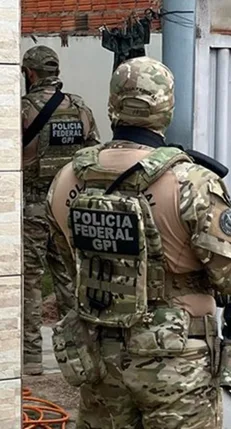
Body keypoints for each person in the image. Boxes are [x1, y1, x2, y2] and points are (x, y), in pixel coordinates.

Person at [46, 56, 231, 428]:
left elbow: (69, 261)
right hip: (176, 365)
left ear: (112, 107)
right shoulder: (190, 182)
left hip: (98, 356)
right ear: (166, 109)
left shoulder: (67, 179)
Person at [22, 45, 100, 376]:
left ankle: (31, 357)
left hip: (33, 205)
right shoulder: (80, 107)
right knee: (69, 276)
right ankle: (79, 355)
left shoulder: (22, 108)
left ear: (30, 73)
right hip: (67, 207)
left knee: (30, 279)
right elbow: (93, 155)